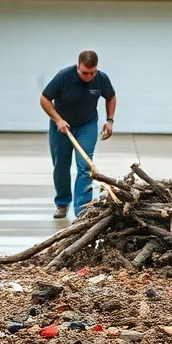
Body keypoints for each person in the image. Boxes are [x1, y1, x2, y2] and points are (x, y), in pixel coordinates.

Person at [40, 50, 116, 218]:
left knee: (85, 167)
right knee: (61, 166)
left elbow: (110, 96)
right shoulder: (64, 77)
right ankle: (62, 203)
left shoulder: (101, 78)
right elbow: (44, 99)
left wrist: (109, 121)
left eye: (92, 72)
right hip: (61, 127)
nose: (88, 76)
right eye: (84, 73)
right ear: (78, 66)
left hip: (86, 125)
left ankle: (82, 210)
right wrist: (58, 120)